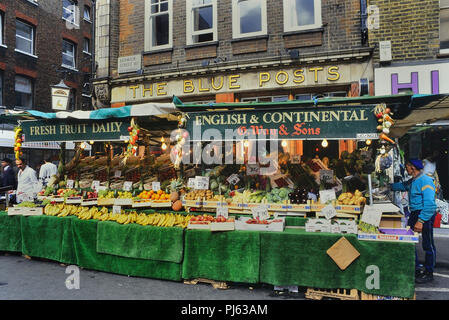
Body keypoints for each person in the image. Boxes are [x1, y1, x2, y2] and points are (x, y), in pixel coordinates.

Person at [391, 159, 437, 283]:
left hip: (424, 214)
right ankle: (415, 269)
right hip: (415, 213)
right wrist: (387, 186)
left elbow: (430, 205)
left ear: (412, 168)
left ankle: (429, 272)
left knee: (428, 245)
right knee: (409, 241)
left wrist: (421, 221)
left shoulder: (426, 181)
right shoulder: (413, 180)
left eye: (407, 167)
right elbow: (402, 186)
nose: (406, 169)